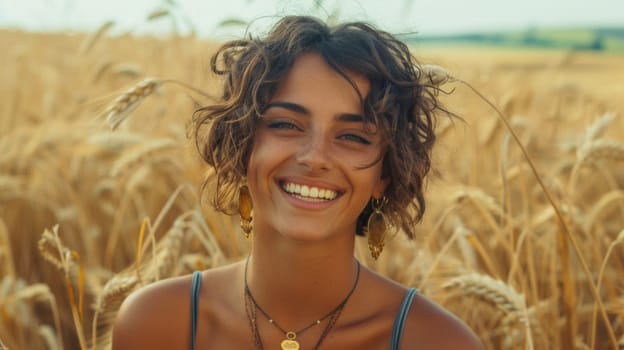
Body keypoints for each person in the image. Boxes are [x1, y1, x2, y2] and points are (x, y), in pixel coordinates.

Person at [112, 15, 483, 350]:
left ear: (383, 175)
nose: (314, 157)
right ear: (243, 146)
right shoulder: (158, 323)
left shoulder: (437, 342)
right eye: (285, 125)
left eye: (353, 136)